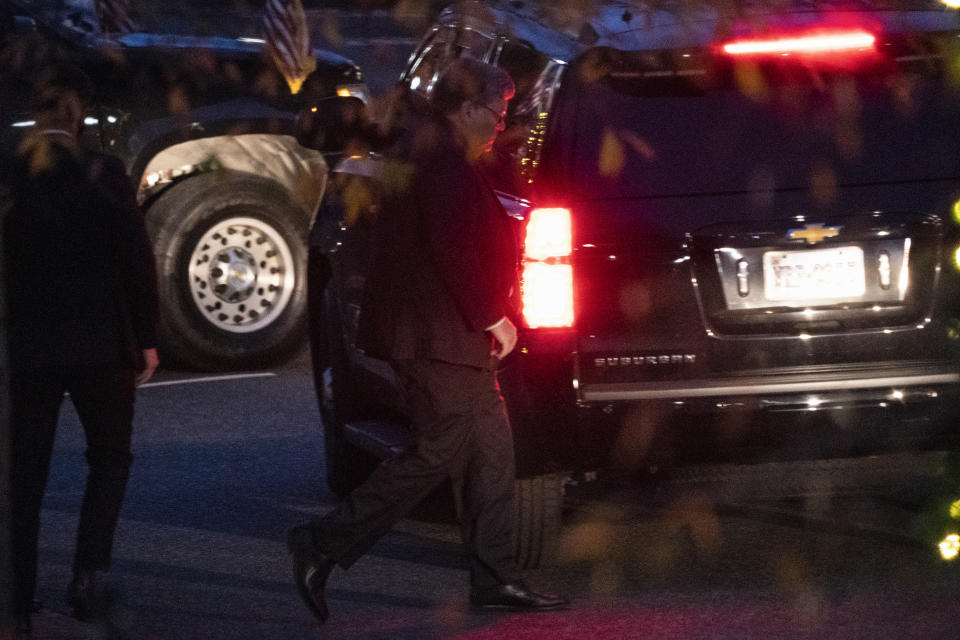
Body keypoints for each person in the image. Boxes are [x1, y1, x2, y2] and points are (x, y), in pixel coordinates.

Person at [287, 57, 567, 622]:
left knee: (491, 451)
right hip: (435, 336)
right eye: (498, 111)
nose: (502, 123)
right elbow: (451, 248)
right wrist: (494, 317)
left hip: (443, 334)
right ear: (467, 109)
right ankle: (322, 542)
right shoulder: (439, 157)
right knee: (439, 450)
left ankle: (496, 577)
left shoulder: (435, 146)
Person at [1, 63, 159, 637]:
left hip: (29, 345)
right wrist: (147, 337)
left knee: (24, 473)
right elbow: (135, 258)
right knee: (109, 460)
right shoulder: (104, 173)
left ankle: (17, 597)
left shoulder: (12, 171)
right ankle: (88, 576)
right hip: (99, 341)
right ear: (81, 113)